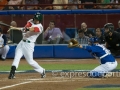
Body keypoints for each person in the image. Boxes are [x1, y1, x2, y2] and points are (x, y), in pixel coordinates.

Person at [8, 12, 46, 79]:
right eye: (35, 18)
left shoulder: (40, 27)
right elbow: (26, 26)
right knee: (17, 57)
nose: (35, 20)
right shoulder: (31, 21)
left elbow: (33, 29)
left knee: (30, 62)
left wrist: (26, 29)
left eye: (36, 19)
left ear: (39, 20)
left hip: (29, 45)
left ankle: (42, 71)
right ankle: (12, 73)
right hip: (22, 42)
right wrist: (14, 28)